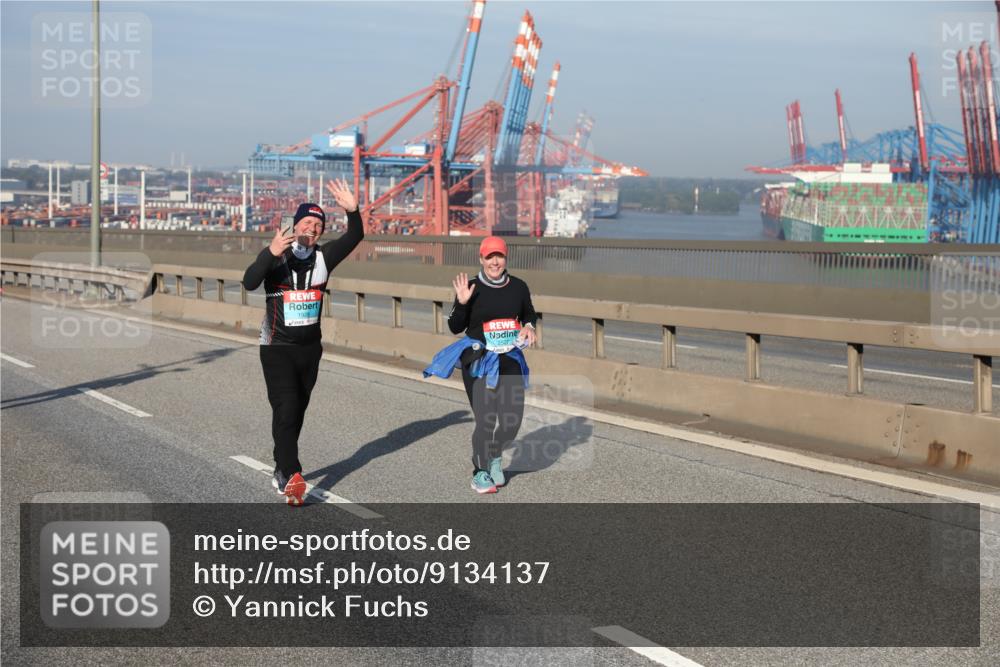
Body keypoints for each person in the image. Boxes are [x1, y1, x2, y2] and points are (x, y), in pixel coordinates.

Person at [242, 179, 363, 505]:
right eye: (306, 222)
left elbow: (355, 236)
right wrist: (270, 252)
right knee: (287, 406)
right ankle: (291, 473)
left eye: (318, 224)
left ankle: (282, 467)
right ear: (295, 225)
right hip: (276, 346)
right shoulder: (276, 255)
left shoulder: (324, 258)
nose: (311, 227)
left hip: (310, 349)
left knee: (296, 412)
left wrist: (352, 211)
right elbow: (250, 281)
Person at [423, 236, 537, 494]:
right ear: (481, 259)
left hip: (510, 360)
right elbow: (455, 326)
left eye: (499, 256)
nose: (495, 262)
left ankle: (495, 456)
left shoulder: (518, 287)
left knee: (511, 421)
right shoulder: (470, 287)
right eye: (489, 257)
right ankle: (480, 471)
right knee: (486, 419)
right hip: (479, 361)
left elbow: (529, 313)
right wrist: (462, 303)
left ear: (506, 258)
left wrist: (529, 326)